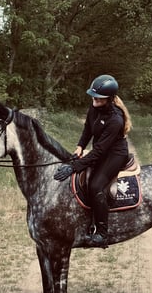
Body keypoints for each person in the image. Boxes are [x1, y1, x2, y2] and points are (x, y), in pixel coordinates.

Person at [54, 74, 132, 247]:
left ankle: (102, 233)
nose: (93, 99)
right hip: (101, 151)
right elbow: (88, 129)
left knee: (96, 185)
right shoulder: (95, 107)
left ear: (109, 99)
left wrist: (73, 167)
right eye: (93, 96)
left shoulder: (115, 119)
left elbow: (99, 151)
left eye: (98, 97)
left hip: (114, 154)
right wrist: (80, 146)